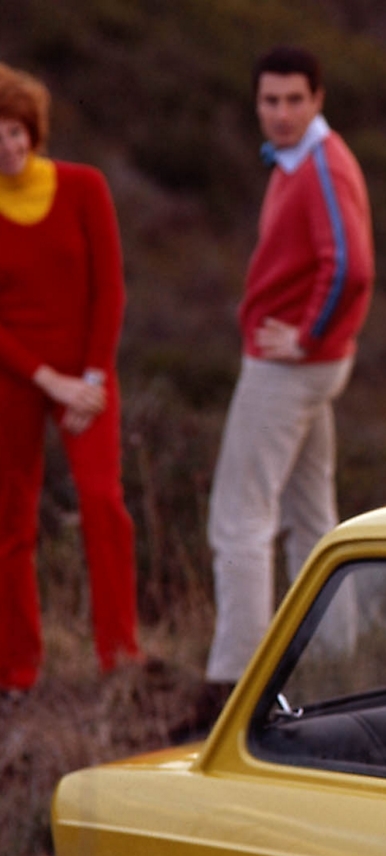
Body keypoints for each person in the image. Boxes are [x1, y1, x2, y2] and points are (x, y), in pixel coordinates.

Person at [204, 44, 374, 691]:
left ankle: (232, 681)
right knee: (312, 517)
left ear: (317, 99)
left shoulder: (323, 166)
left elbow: (351, 267)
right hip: (312, 367)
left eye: (294, 100)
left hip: (290, 369)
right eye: (269, 101)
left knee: (239, 520)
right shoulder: (297, 158)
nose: (280, 113)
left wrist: (306, 336)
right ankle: (339, 662)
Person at [0, 60, 141, 694]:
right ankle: (18, 673)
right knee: (10, 524)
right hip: (16, 378)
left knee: (102, 502)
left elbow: (110, 289)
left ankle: (121, 658)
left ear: (32, 129)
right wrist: (46, 379)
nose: (7, 146)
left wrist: (89, 376)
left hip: (87, 376)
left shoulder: (85, 188)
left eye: (13, 130)